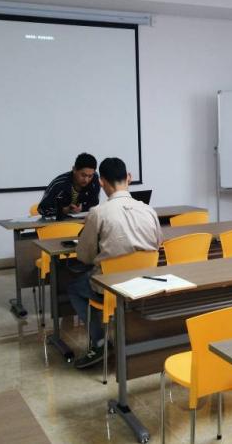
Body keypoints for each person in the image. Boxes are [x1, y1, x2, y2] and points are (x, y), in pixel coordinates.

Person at [67, 157, 163, 369]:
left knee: (73, 287)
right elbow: (158, 244)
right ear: (128, 177)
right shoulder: (148, 210)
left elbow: (84, 256)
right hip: (145, 284)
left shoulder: (98, 213)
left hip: (111, 289)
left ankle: (100, 342)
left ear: (101, 181)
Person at [37, 153, 101, 217]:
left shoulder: (94, 179)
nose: (86, 180)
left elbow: (94, 203)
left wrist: (82, 208)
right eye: (83, 175)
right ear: (74, 169)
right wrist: (63, 210)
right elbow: (42, 209)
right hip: (58, 221)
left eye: (90, 176)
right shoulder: (59, 184)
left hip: (80, 220)